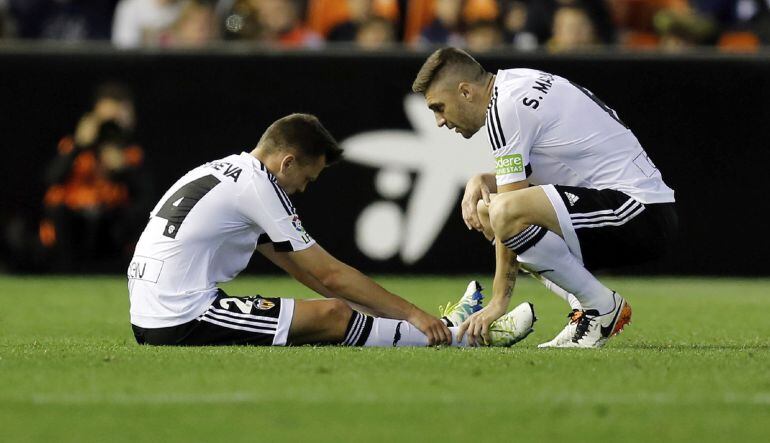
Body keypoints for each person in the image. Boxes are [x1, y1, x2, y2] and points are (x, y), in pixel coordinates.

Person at [128, 113, 535, 347]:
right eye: (307, 177)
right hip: (179, 316)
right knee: (335, 315)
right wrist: (413, 313)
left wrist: (389, 313)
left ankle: (447, 328)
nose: (304, 189)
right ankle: (466, 336)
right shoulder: (259, 187)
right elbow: (329, 275)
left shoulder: (224, 170)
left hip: (154, 306)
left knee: (338, 309)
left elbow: (301, 270)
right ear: (287, 163)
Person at [411, 48, 677, 348]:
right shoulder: (515, 83)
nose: (439, 122)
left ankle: (600, 307)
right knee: (488, 209)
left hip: (639, 213)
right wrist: (483, 178)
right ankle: (592, 308)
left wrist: (499, 301)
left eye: (439, 107)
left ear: (465, 92)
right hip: (634, 208)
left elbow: (510, 210)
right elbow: (547, 170)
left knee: (500, 211)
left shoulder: (505, 108)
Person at [40, 82, 152, 272]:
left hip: (111, 225)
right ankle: (64, 270)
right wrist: (79, 145)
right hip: (73, 225)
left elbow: (145, 196)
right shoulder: (73, 148)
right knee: (57, 209)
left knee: (134, 213)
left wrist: (123, 168)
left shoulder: (130, 154)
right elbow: (51, 179)